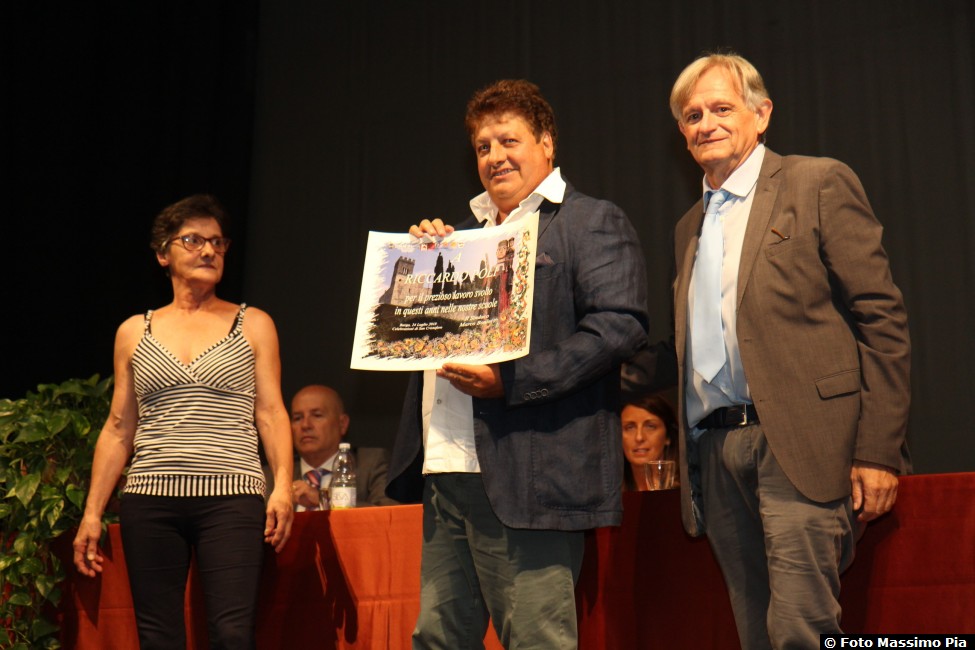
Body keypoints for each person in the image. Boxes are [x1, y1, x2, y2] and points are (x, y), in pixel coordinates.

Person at [626, 53, 911, 649]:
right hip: (716, 452)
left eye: (721, 108)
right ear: (681, 133)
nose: (706, 123)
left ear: (761, 114)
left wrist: (879, 449)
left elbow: (881, 318)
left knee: (799, 631)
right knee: (756, 635)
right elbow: (689, 345)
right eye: (692, 115)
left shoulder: (817, 182)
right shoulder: (688, 227)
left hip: (801, 444)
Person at [385, 79, 649, 649]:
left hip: (531, 474)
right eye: (483, 147)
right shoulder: (460, 238)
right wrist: (423, 264)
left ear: (547, 143)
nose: (495, 156)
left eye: (509, 141)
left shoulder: (588, 221)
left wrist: (511, 381)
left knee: (535, 641)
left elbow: (619, 327)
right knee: (436, 640)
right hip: (446, 468)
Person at [72, 194, 294, 649]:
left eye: (218, 242)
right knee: (158, 637)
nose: (209, 250)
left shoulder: (253, 324)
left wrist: (283, 487)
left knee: (232, 634)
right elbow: (119, 427)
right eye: (193, 240)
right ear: (162, 253)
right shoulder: (134, 331)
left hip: (232, 495)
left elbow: (271, 413)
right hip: (151, 497)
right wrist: (92, 512)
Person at [267, 384, 399, 509]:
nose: (305, 425)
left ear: (342, 424)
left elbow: (391, 513)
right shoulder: (271, 476)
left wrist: (324, 500)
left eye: (317, 415)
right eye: (297, 418)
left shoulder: (370, 464)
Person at [620, 393, 679, 491]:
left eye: (650, 426)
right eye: (630, 427)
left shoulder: (688, 493)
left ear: (668, 436)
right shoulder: (609, 494)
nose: (639, 437)